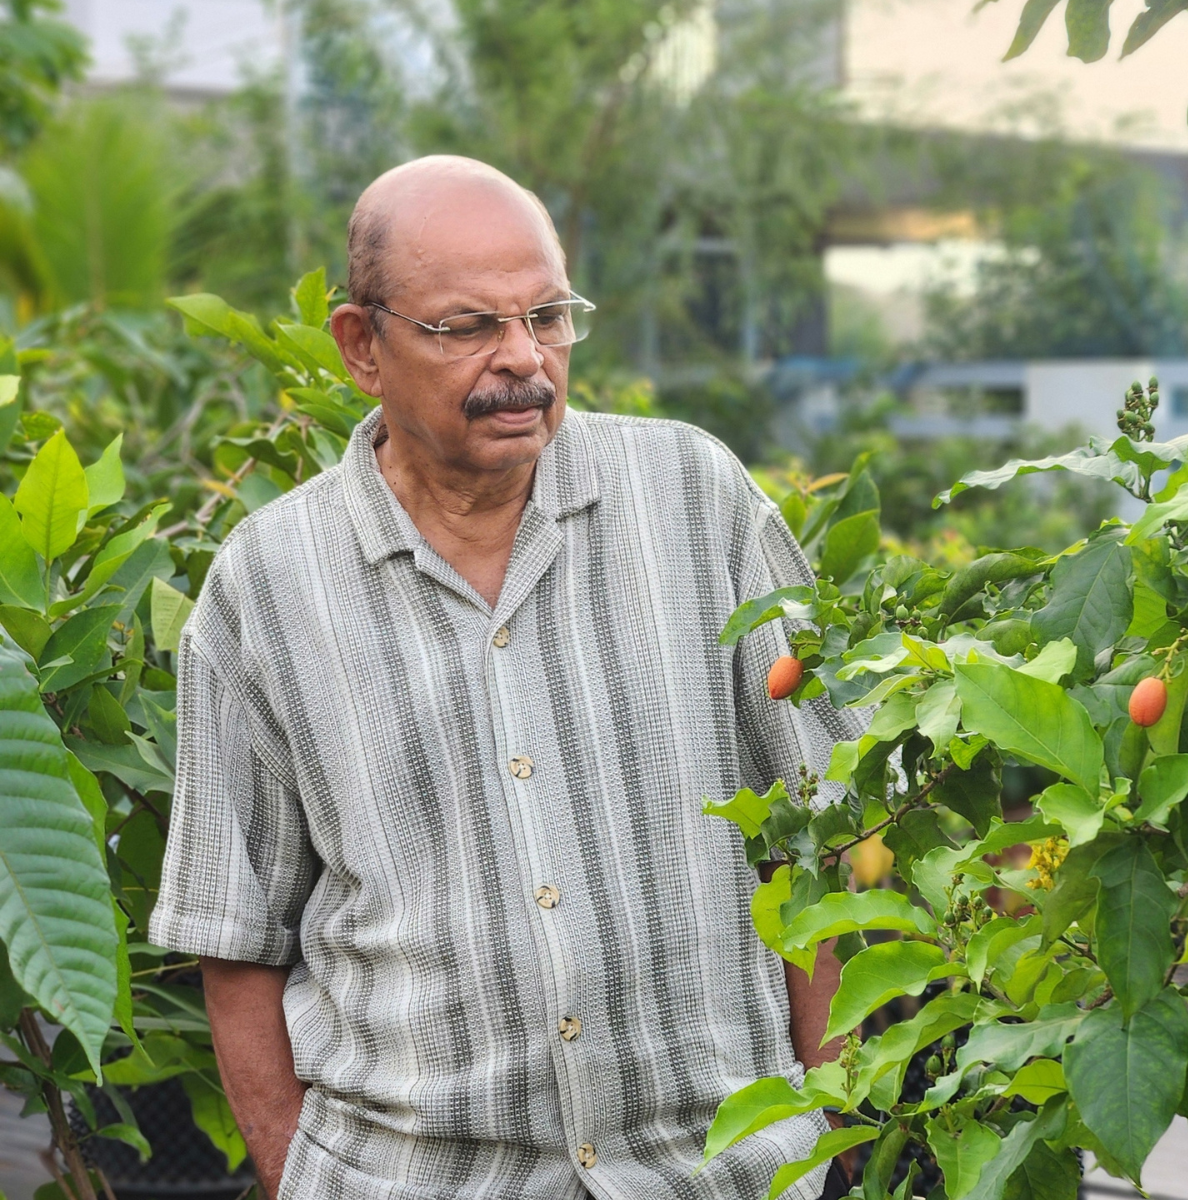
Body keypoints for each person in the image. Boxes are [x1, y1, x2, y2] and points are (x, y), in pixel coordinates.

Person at [149, 155, 866, 1200]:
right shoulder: (265, 586)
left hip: (713, 1173)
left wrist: (832, 1136)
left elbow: (813, 838)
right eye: (468, 326)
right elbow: (234, 937)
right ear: (362, 345)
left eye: (548, 315)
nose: (525, 359)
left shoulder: (696, 501)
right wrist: (286, 1178)